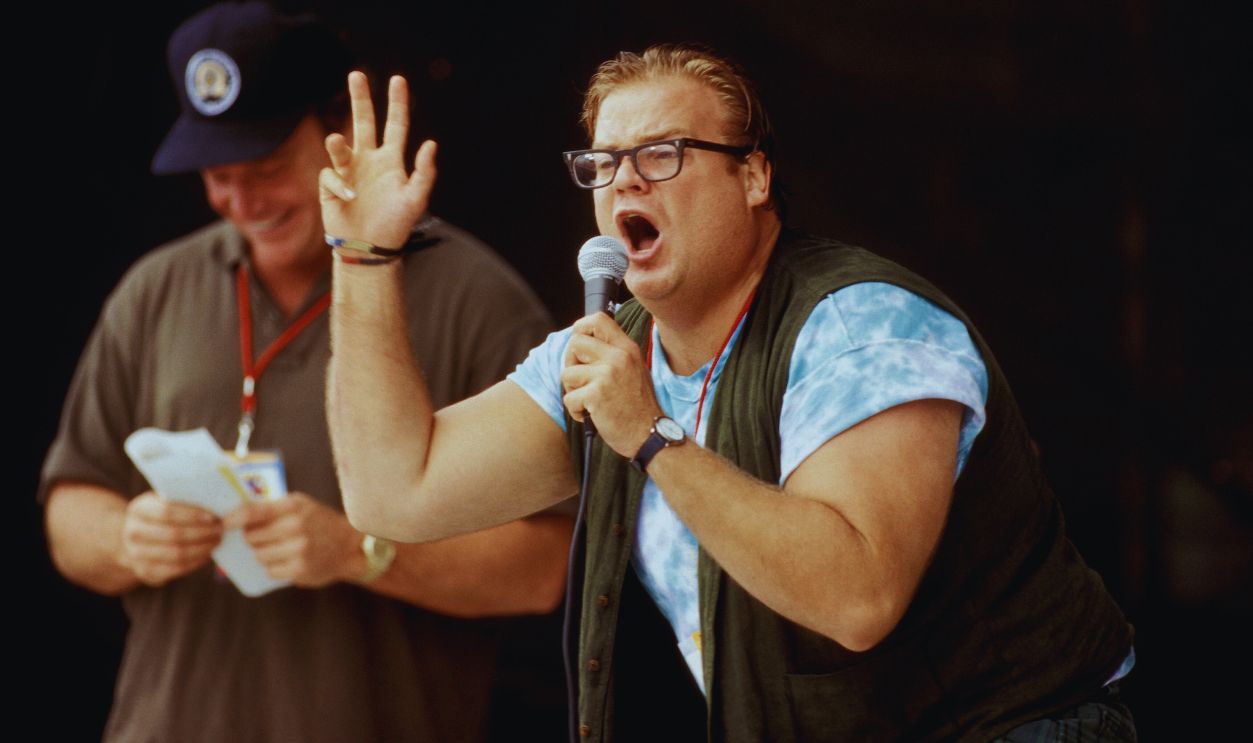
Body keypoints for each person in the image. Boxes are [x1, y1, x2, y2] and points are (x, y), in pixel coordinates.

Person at [322, 44, 1137, 742]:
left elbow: (857, 597)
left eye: (661, 153)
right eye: (603, 163)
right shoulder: (608, 354)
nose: (624, 183)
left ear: (752, 175)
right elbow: (395, 490)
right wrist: (362, 257)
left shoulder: (861, 327)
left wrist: (649, 434)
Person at [40, 3, 571, 742]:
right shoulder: (153, 289)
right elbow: (68, 507)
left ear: (343, 137)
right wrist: (128, 536)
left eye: (264, 168)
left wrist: (363, 552)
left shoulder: (473, 295)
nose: (241, 201)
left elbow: (546, 566)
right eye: (217, 176)